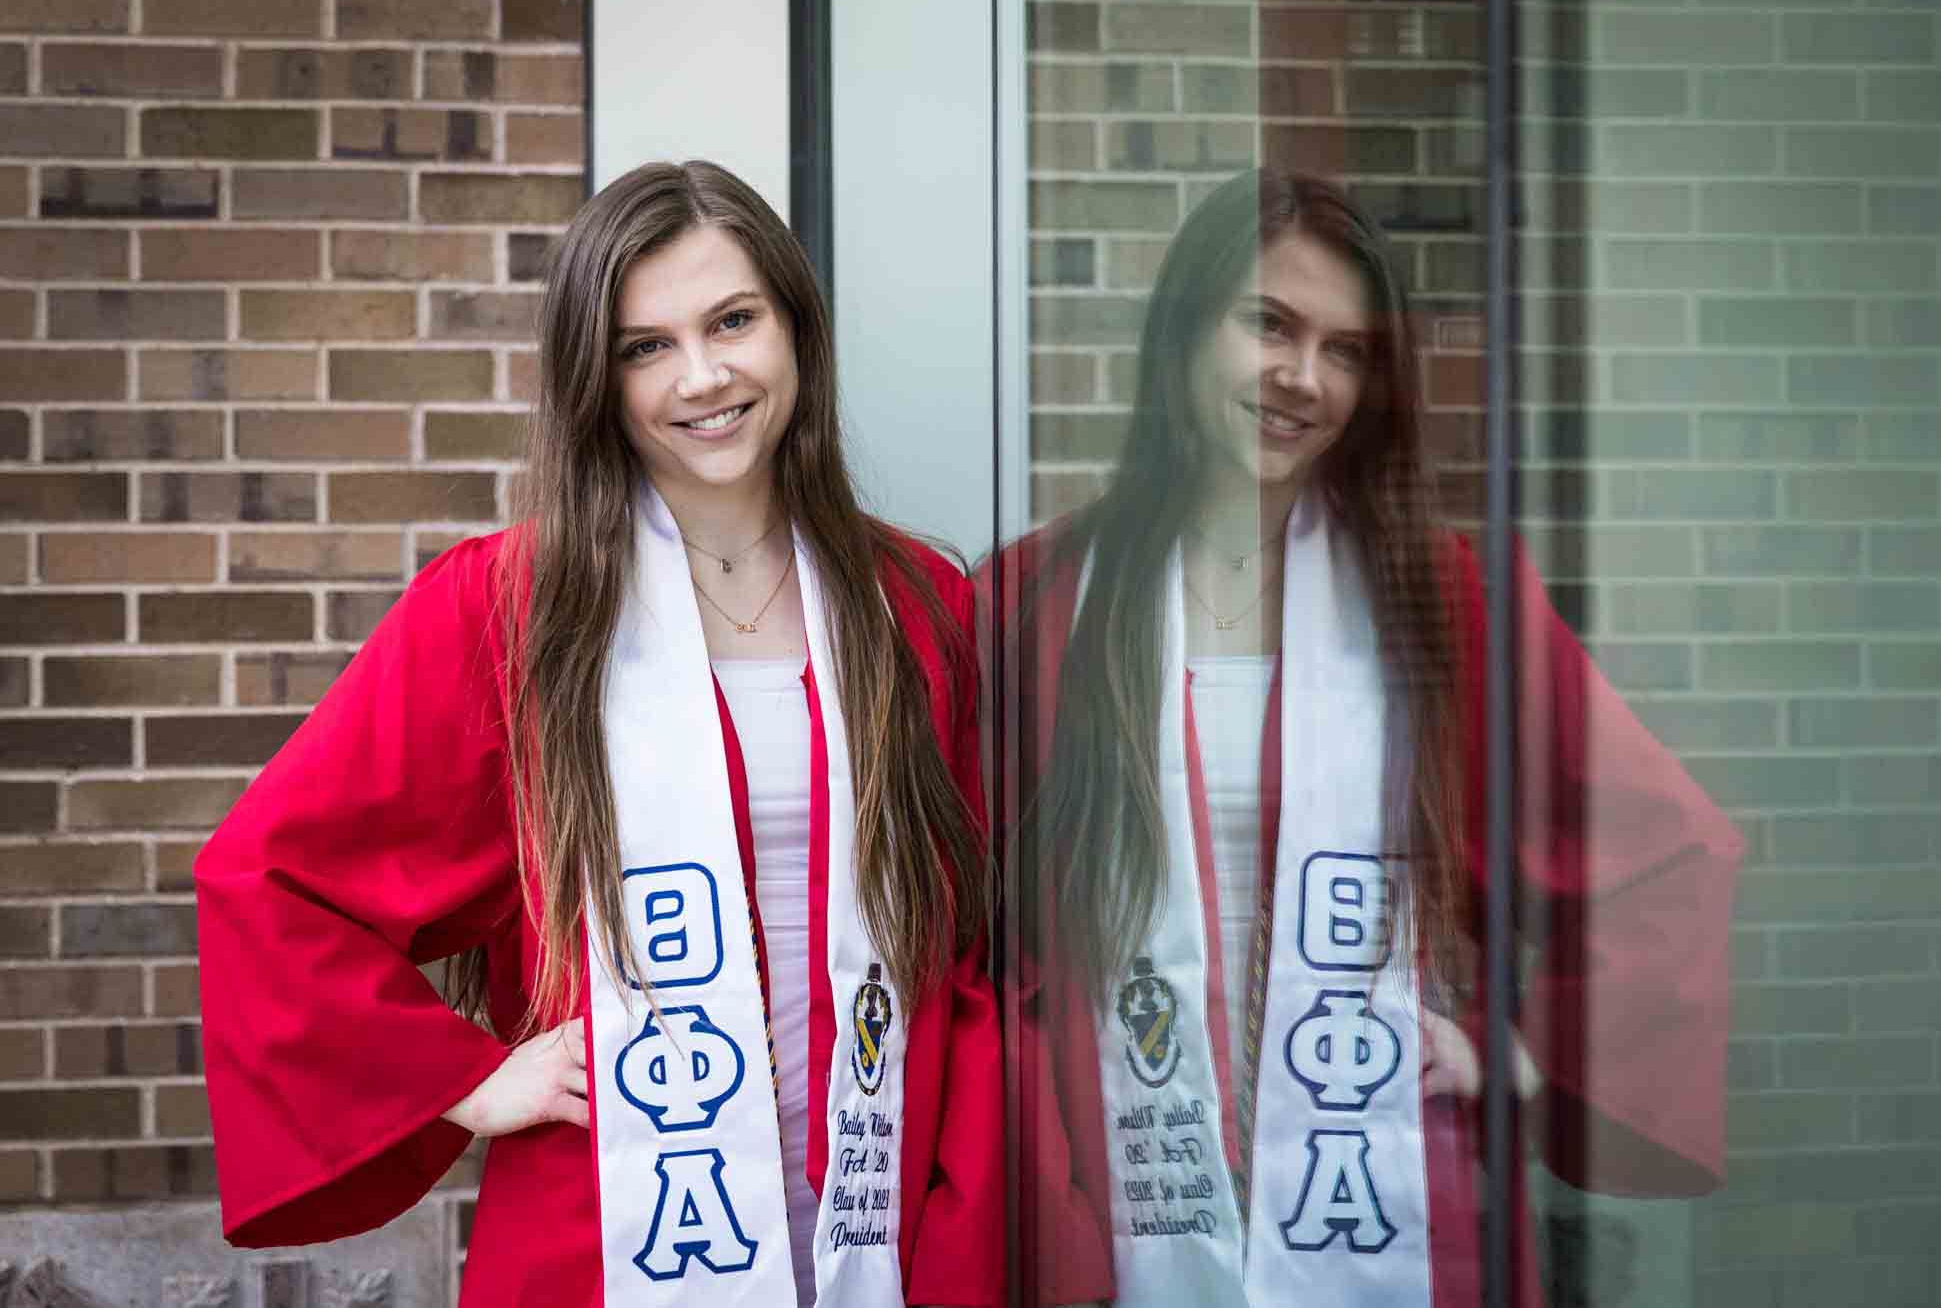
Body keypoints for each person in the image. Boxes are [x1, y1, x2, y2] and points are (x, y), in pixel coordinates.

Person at [196, 160, 1001, 1307]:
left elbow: (961, 961)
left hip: (874, 1239)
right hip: (611, 1239)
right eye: (645, 346)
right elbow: (268, 878)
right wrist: (466, 1082)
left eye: (733, 320)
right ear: (598, 378)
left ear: (796, 329)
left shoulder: (912, 604)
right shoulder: (512, 608)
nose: (704, 375)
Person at [984, 168, 1740, 1307]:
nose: (1302, 378)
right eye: (1270, 326)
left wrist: (1516, 1050)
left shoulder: (1437, 601)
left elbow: (1663, 855)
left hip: (1380, 1183)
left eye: (1345, 350)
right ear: (1185, 329)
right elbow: (948, 925)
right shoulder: (1038, 598)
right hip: (1119, 1181)